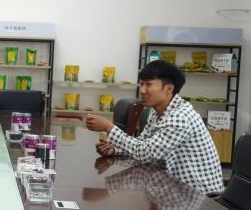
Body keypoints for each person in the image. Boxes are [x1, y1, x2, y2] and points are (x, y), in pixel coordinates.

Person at [84, 60, 224, 195]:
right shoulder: (156, 111)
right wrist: (115, 149)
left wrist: (109, 127)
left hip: (198, 195)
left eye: (148, 84)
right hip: (172, 185)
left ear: (168, 88)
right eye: (141, 84)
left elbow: (145, 153)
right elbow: (143, 143)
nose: (142, 90)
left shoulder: (180, 118)